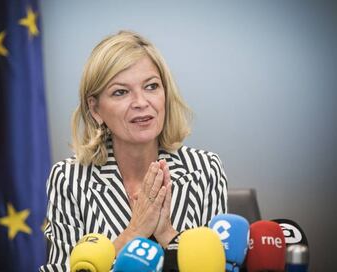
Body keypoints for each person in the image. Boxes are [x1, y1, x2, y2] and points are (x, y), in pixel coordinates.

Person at [40, 30, 228, 271]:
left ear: (165, 95)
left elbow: (219, 265)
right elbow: (61, 267)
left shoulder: (204, 169)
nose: (141, 102)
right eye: (121, 92)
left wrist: (167, 234)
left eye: (151, 86)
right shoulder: (69, 178)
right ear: (95, 109)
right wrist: (133, 232)